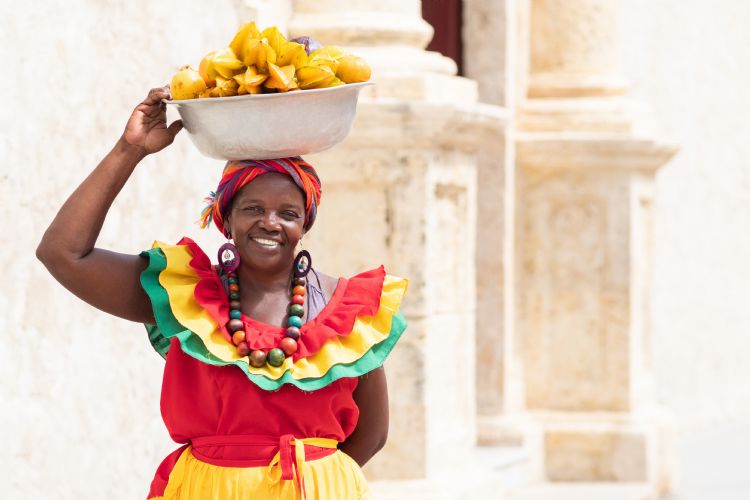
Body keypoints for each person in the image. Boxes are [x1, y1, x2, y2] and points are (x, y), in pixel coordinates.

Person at [36, 86, 408, 499]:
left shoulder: (349, 311)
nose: (270, 222)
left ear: (305, 226)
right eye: (252, 209)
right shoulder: (183, 297)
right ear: (225, 219)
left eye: (289, 213)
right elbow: (62, 253)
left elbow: (372, 433)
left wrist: (313, 480)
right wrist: (130, 150)